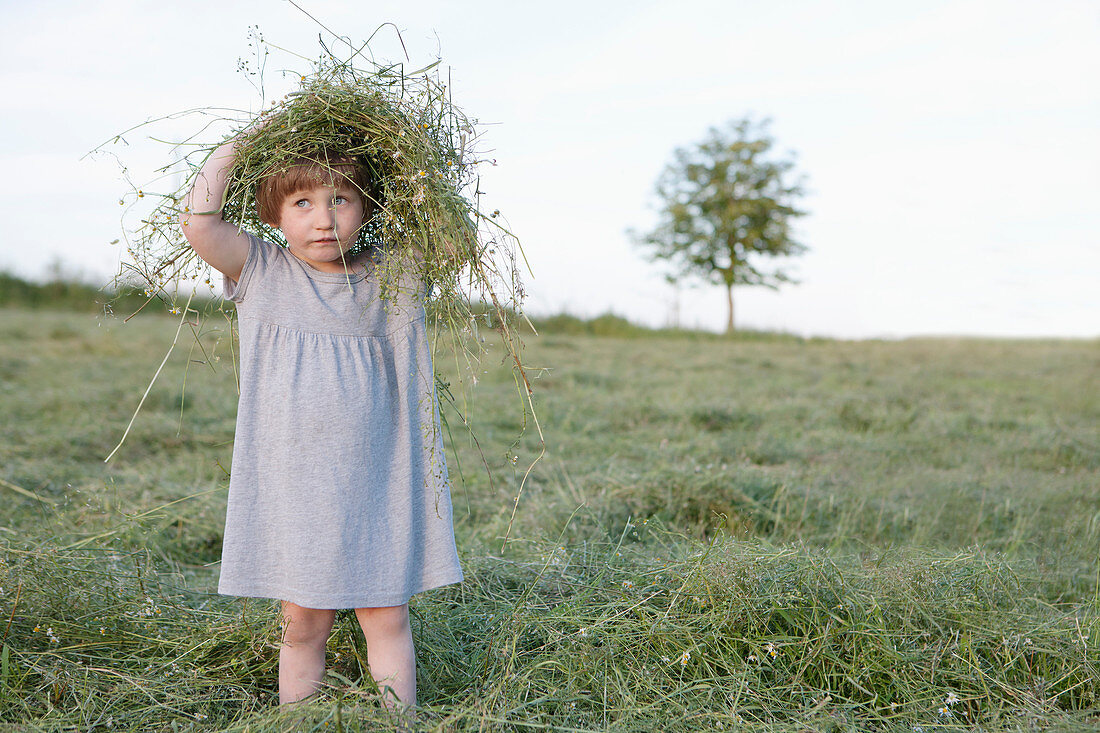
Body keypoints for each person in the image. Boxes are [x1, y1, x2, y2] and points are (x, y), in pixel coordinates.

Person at [179, 133, 464, 710]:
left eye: (341, 199)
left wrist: (405, 152)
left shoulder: (395, 274)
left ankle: (397, 723)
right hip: (295, 484)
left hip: (383, 478)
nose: (323, 217)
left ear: (368, 208)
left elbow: (452, 238)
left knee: (386, 616)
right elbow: (199, 222)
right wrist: (238, 147)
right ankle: (296, 722)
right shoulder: (263, 270)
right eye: (302, 203)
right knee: (303, 623)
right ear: (274, 215)